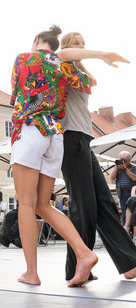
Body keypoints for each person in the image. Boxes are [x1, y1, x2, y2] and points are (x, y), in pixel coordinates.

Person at [10, 25, 100, 287]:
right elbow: (88, 83)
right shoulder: (65, 66)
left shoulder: (24, 58)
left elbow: (16, 93)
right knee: (43, 205)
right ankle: (83, 253)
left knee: (25, 203)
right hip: (55, 136)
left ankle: (31, 272)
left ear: (37, 41)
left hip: (30, 130)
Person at [59, 31, 136, 281]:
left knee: (103, 202)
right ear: (67, 47)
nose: (80, 47)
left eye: (83, 43)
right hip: (69, 139)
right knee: (83, 206)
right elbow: (64, 55)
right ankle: (77, 268)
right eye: (76, 44)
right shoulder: (59, 65)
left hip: (84, 139)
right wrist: (102, 54)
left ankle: (129, 261)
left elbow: (91, 82)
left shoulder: (79, 73)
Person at [110, 151, 136, 224]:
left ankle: (131, 228)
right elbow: (112, 178)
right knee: (124, 213)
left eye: (125, 160)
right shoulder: (118, 169)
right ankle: (125, 228)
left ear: (129, 160)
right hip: (122, 194)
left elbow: (134, 178)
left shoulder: (133, 167)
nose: (123, 162)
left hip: (132, 193)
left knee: (133, 212)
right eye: (122, 160)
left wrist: (125, 168)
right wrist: (116, 167)